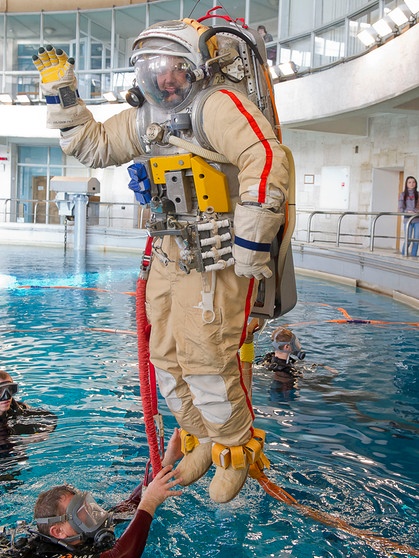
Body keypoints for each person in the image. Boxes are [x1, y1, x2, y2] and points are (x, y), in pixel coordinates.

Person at [32, 17, 290, 503]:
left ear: (193, 68)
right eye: (152, 71)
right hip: (172, 248)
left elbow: (266, 158)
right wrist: (63, 93)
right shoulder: (146, 117)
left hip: (220, 255)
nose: (162, 81)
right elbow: (93, 145)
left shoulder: (218, 105)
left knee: (207, 355)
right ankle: (199, 437)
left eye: (171, 69)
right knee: (165, 355)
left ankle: (234, 448)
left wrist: (252, 242)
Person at [0, 429, 183, 558]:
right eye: (80, 513)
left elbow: (131, 504)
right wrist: (150, 503)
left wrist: (167, 461)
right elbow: (120, 556)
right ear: (58, 531)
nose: (91, 513)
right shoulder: (54, 554)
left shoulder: (83, 528)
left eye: (86, 505)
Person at [0, 370, 57, 438]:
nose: (6, 397)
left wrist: (43, 431)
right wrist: (25, 442)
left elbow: (49, 417)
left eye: (10, 389)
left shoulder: (18, 408)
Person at [398, 175, 419, 256]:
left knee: (416, 240)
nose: (412, 184)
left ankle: (413, 257)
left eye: (413, 182)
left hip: (417, 220)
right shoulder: (403, 194)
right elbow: (400, 208)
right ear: (406, 184)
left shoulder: (418, 194)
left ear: (416, 183)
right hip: (407, 220)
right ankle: (404, 255)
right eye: (409, 182)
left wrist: (413, 211)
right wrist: (407, 211)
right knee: (408, 239)